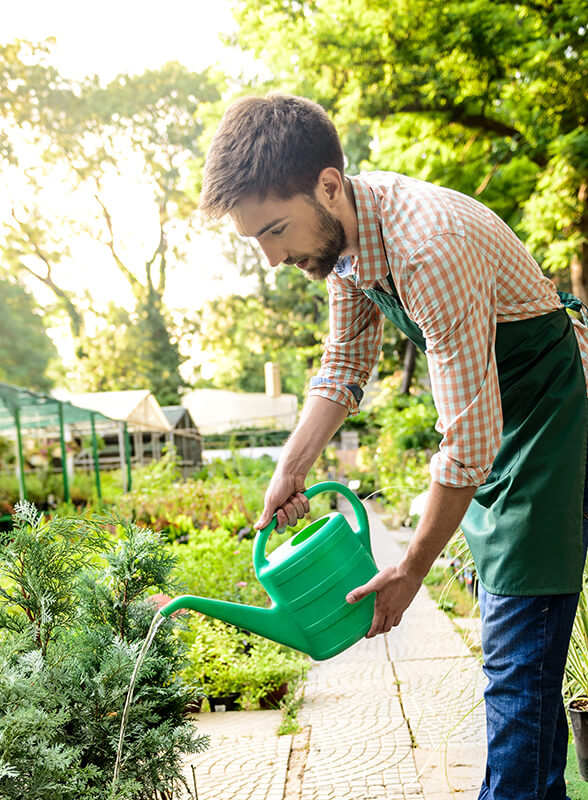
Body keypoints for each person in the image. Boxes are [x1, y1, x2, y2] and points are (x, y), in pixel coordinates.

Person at [199, 93, 588, 800]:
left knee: (517, 664)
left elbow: (468, 437)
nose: (273, 257)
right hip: (497, 428)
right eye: (255, 239)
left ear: (328, 184)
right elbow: (345, 365)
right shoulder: (345, 248)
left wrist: (410, 567)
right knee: (516, 663)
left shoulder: (427, 245)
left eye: (277, 230)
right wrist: (290, 469)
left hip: (550, 423)